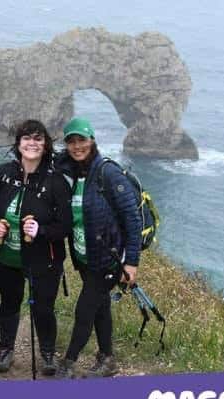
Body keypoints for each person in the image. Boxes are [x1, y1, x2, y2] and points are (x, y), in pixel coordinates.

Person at [0, 119, 72, 376]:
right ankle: (5, 348)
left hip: (45, 259)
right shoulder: (3, 173)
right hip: (7, 255)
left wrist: (41, 231)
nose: (32, 143)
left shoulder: (56, 181)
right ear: (18, 143)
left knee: (43, 307)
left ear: (46, 145)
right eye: (27, 138)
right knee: (9, 302)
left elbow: (65, 225)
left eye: (38, 139)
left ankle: (47, 353)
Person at [54, 117, 141, 378]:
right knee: (101, 305)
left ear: (92, 140)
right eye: (71, 141)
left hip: (108, 259)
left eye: (82, 140)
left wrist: (131, 262)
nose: (77, 146)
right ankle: (107, 359)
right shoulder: (73, 172)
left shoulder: (107, 172)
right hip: (85, 257)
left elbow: (132, 219)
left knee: (85, 309)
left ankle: (68, 363)